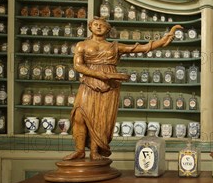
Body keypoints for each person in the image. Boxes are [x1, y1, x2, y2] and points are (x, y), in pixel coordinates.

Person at [64, 17, 182, 160]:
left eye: (102, 25)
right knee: (79, 116)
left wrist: (162, 41)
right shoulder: (82, 45)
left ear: (108, 29)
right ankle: (79, 150)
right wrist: (101, 74)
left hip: (110, 85)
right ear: (90, 27)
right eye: (96, 24)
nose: (99, 27)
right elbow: (78, 66)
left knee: (101, 118)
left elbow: (140, 48)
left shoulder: (115, 46)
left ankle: (95, 151)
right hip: (89, 82)